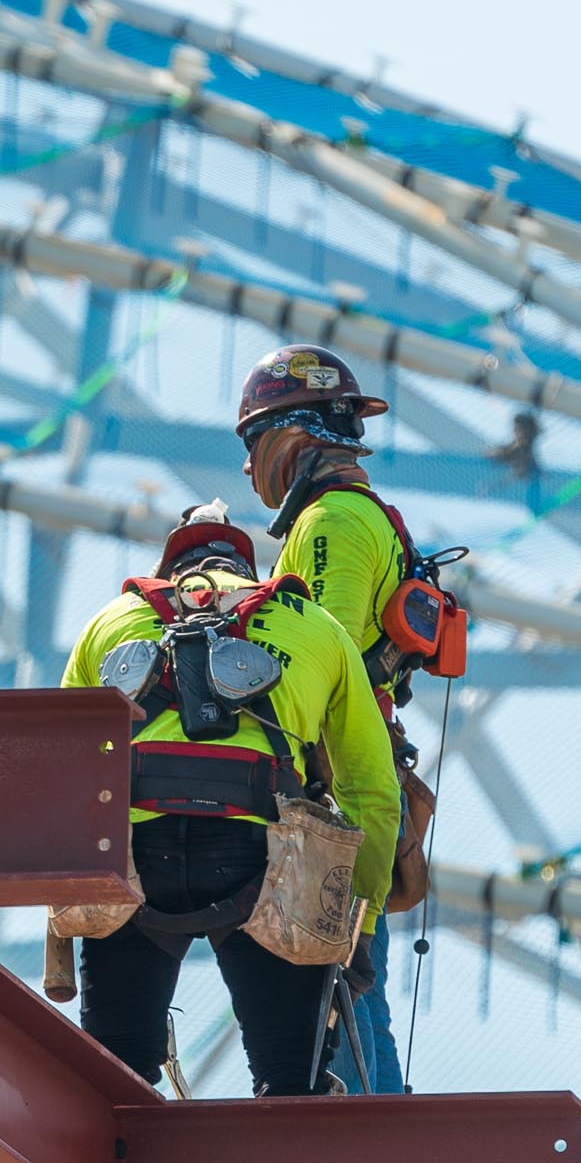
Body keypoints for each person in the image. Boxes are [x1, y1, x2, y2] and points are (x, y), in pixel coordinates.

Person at [63, 507, 401, 1163]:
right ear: (247, 569)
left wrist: (69, 893)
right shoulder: (309, 621)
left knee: (117, 1070)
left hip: (132, 850)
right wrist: (352, 920)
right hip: (257, 849)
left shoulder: (112, 620)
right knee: (287, 1081)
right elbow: (369, 787)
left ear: (172, 567)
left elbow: (57, 763)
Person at [235, 343, 449, 1093]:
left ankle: (368, 1147)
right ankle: (375, 1135)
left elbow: (315, 660)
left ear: (291, 434)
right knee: (347, 992)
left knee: (336, 990)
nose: (247, 466)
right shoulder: (352, 518)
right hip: (352, 779)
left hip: (336, 788)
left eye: (251, 440)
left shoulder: (331, 522)